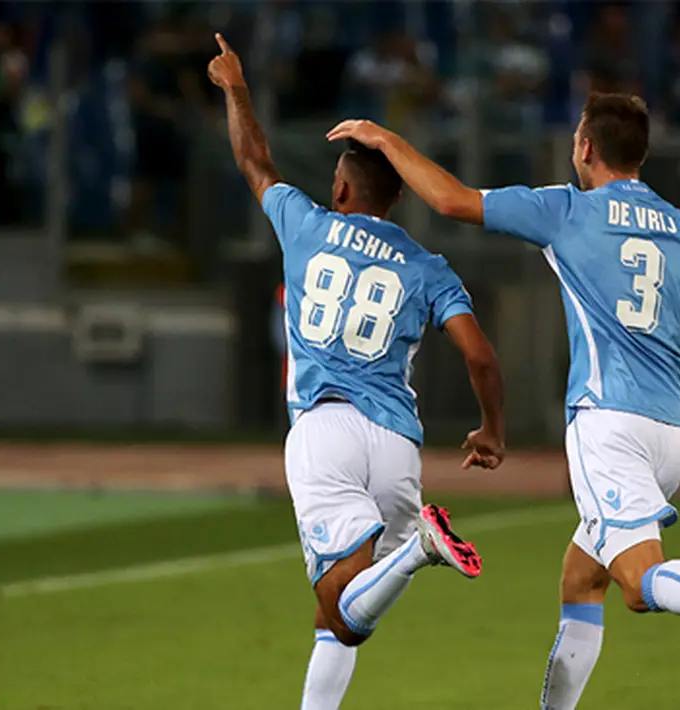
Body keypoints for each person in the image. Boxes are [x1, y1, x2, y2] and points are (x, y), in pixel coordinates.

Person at [327, 93, 680, 704]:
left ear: (585, 148)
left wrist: (386, 141)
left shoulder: (566, 210)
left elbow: (453, 199)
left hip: (608, 425)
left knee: (640, 585)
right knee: (581, 580)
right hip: (673, 437)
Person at [207, 34, 506, 710]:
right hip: (396, 442)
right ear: (395, 201)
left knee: (334, 600)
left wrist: (236, 88)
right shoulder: (427, 266)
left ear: (340, 187)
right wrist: (492, 430)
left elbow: (254, 161)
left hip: (326, 427)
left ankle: (421, 547)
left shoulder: (304, 222)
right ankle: (412, 551)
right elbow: (479, 355)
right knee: (344, 623)